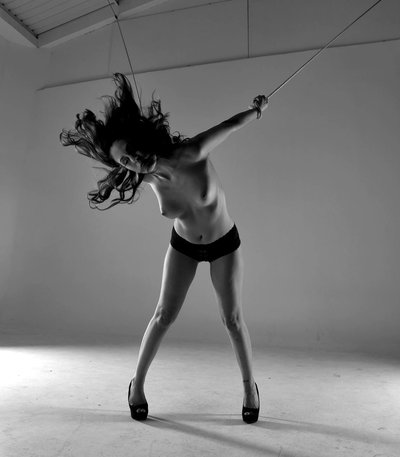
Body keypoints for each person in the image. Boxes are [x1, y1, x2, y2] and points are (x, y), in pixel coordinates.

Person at [60, 73, 268, 424]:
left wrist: (257, 110)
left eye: (132, 150)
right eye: (125, 161)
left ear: (142, 138)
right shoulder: (144, 177)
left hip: (224, 244)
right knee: (163, 315)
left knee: (232, 320)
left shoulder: (190, 152)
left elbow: (231, 125)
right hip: (184, 246)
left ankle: (250, 388)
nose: (133, 160)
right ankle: (137, 386)